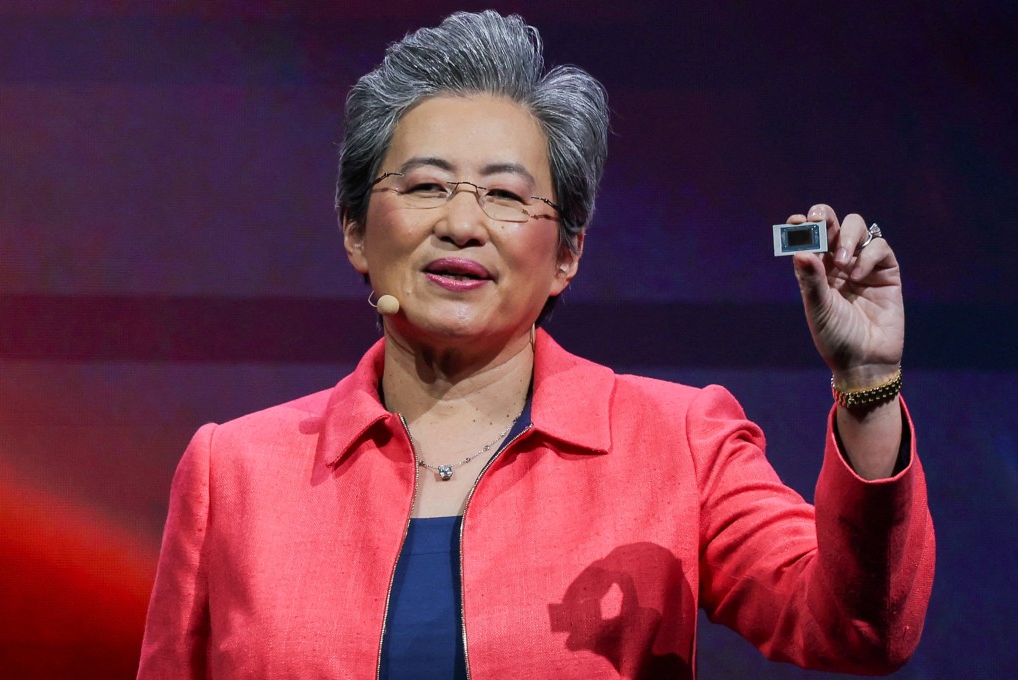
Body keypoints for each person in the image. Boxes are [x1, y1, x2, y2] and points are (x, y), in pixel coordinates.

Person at [137, 10, 934, 680]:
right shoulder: (232, 471)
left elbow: (859, 629)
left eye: (505, 195)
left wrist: (868, 386)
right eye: (425, 186)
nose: (462, 223)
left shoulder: (677, 443)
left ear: (566, 255)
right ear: (355, 230)